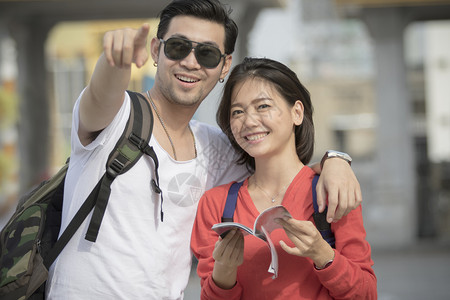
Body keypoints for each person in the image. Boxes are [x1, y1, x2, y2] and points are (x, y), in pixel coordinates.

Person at [46, 1, 362, 299]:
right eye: (178, 47)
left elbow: (277, 165)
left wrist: (336, 159)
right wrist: (114, 60)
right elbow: (101, 95)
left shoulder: (219, 150)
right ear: (156, 50)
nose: (190, 62)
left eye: (207, 54)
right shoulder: (117, 116)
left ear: (224, 65)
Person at [191, 57, 377, 299]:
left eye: (263, 106)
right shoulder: (215, 204)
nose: (249, 121)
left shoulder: (332, 190)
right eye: (237, 111)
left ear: (296, 112)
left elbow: (367, 294)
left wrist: (322, 254)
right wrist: (224, 273)